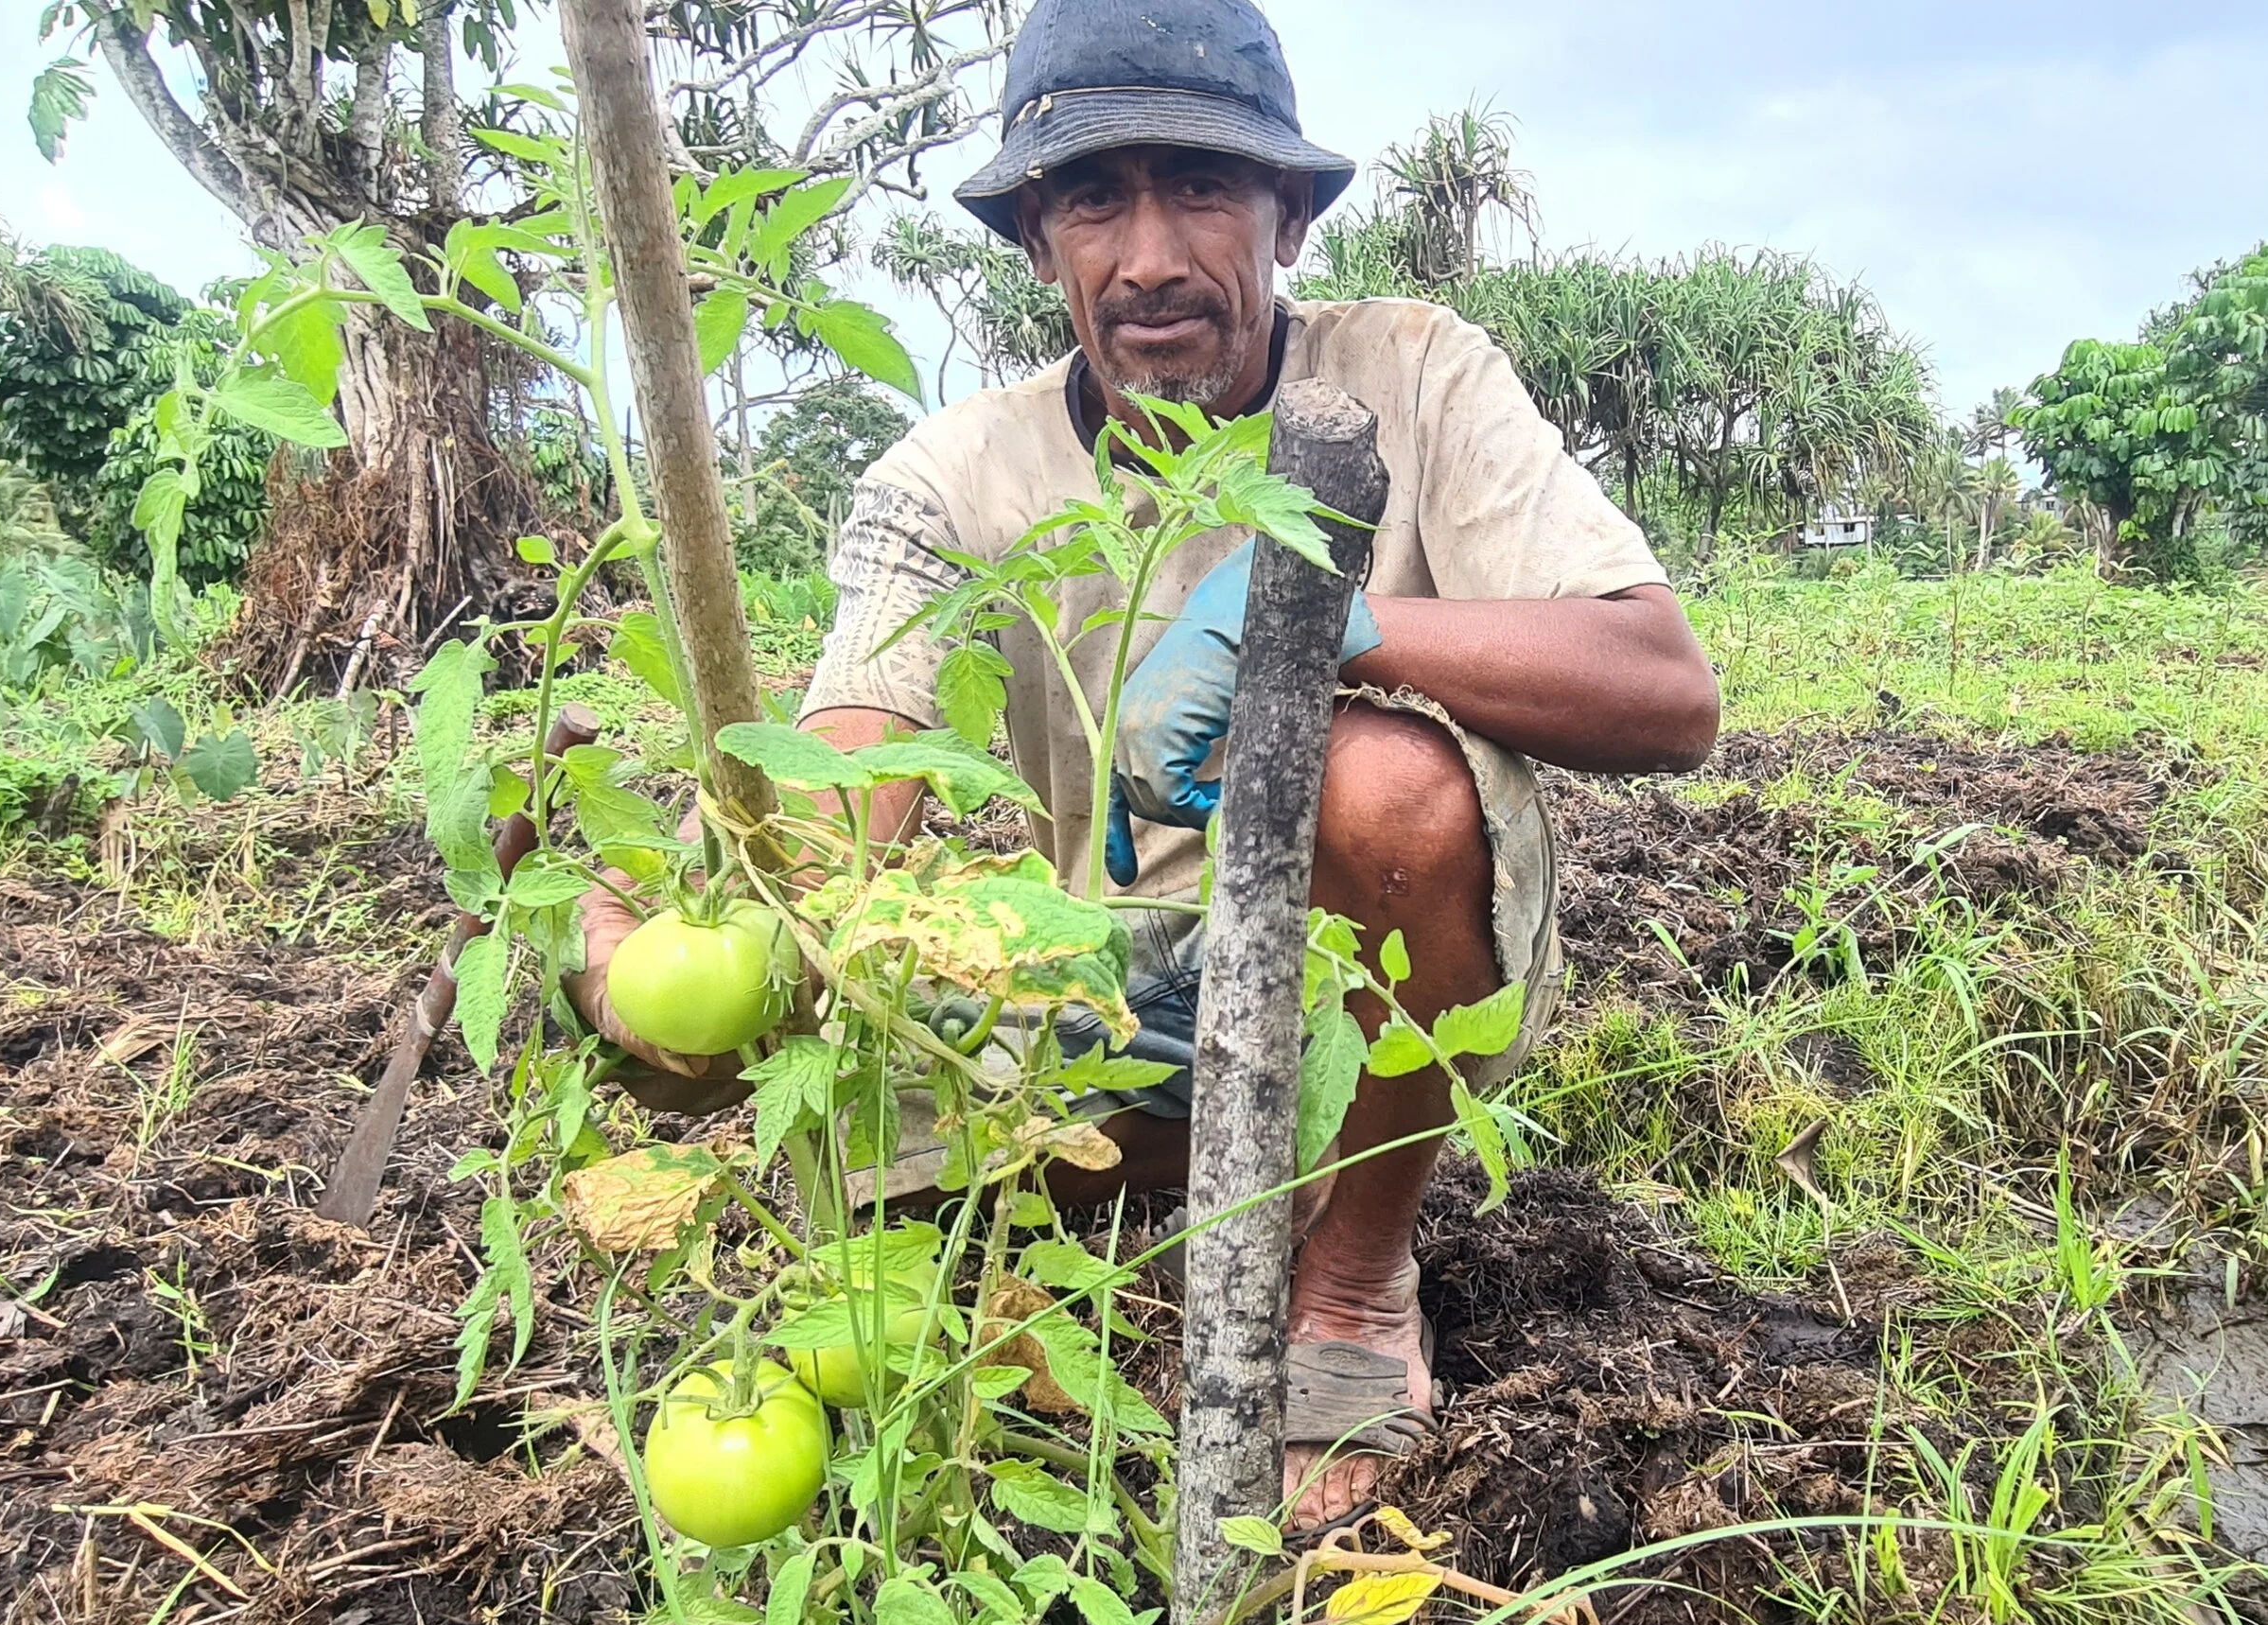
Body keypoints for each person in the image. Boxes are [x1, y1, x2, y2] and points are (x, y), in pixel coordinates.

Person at [569, 0, 1721, 1531]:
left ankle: (1357, 1281)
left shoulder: (1418, 378)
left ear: (1291, 218)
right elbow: (855, 781)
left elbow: (1663, 686)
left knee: (1389, 787)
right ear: (1039, 243)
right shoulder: (959, 477)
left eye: (1202, 187)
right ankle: (1128, 1217)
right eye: (1096, 199)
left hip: (1354, 987)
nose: (1153, 253)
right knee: (794, 1056)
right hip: (1079, 1005)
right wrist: (678, 946)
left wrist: (1329, 619)